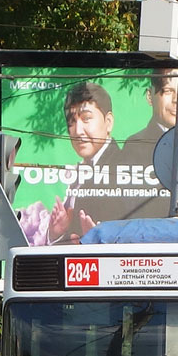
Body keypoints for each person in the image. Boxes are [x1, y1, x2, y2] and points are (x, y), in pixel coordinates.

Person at [46, 82, 128, 244]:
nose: (77, 131)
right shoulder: (79, 172)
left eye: (86, 119)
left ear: (108, 122)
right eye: (71, 122)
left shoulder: (125, 166)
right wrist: (57, 234)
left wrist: (101, 239)